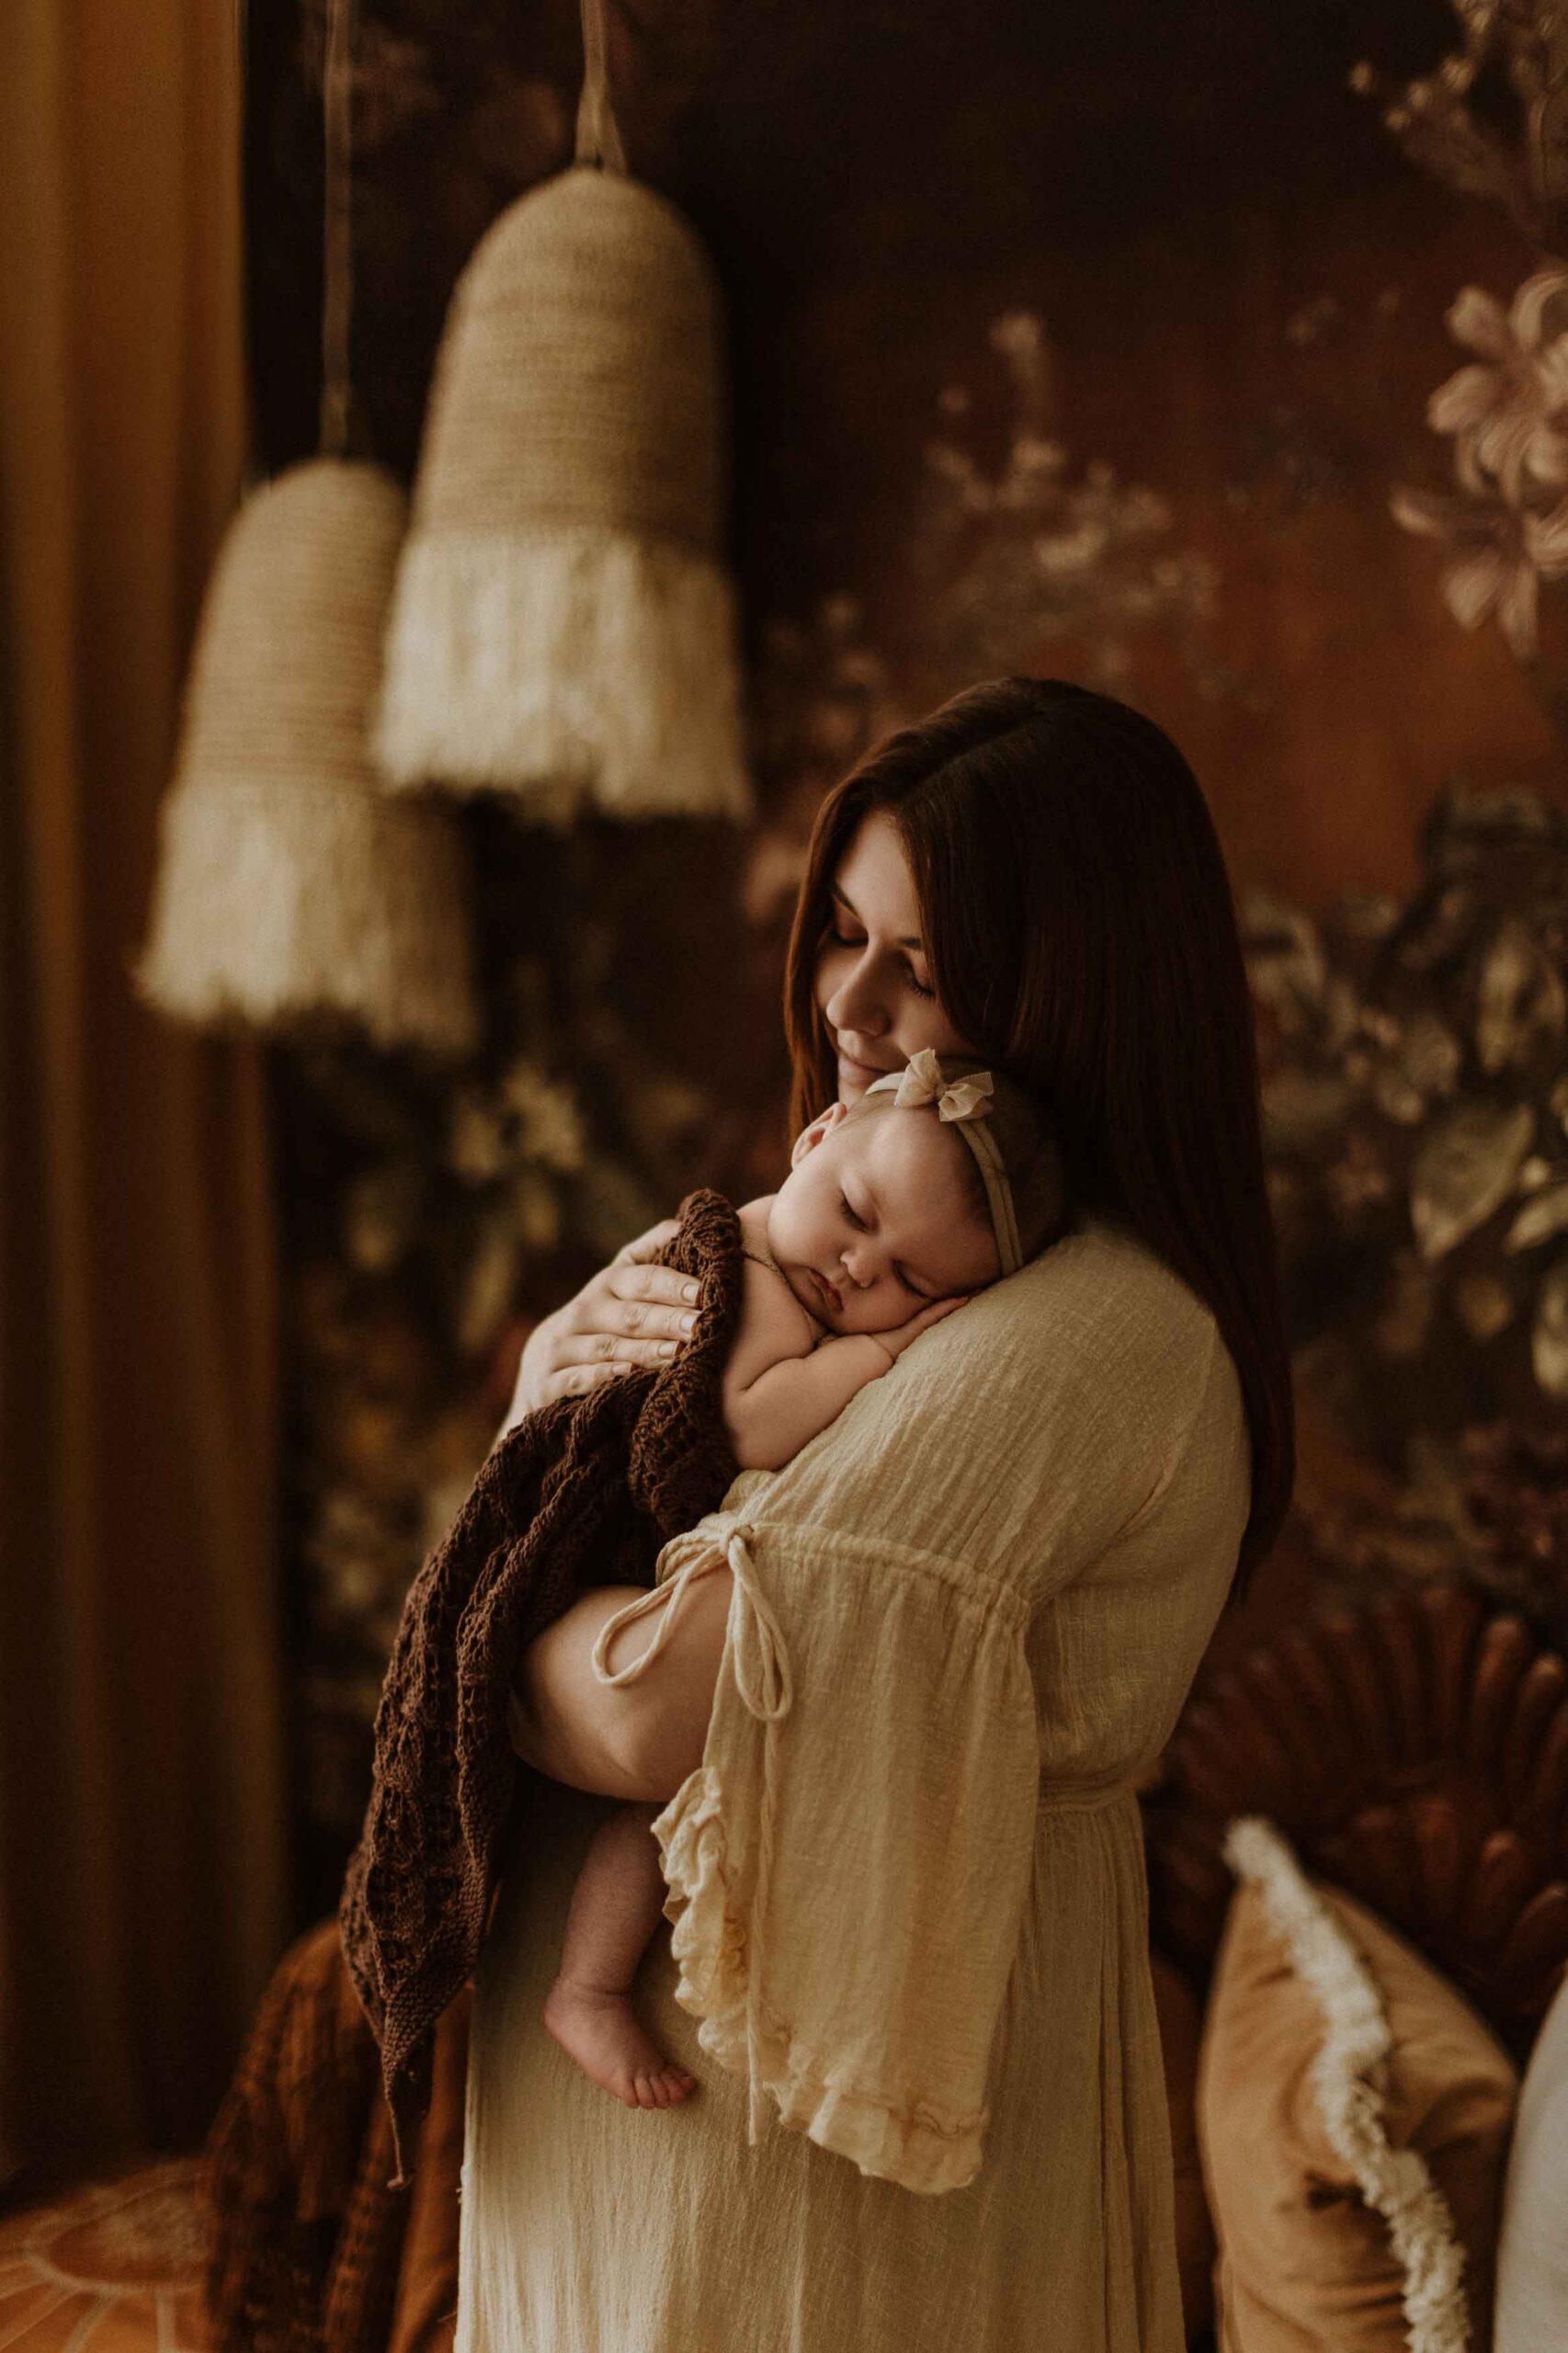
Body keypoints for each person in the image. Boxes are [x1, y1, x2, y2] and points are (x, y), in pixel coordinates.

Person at [463, 676, 1293, 2353]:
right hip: (666, 2164)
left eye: (920, 961)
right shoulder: (868, 1282)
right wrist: (544, 1392)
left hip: (794, 2213)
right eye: (842, 928)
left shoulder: (1090, 1329)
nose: (848, 999)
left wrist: (479, 1625)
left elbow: (656, 1702)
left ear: (1081, 981)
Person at [537, 1052, 1069, 2109]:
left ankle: (583, 1986)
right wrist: (882, 1356)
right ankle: (586, 1986)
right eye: (857, 1211)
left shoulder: (784, 1257)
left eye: (912, 1281)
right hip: (568, 1566)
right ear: (815, 1136)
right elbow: (738, 1422)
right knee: (672, 1793)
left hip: (600, 1593)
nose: (861, 1268)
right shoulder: (754, 1279)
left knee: (685, 1796)